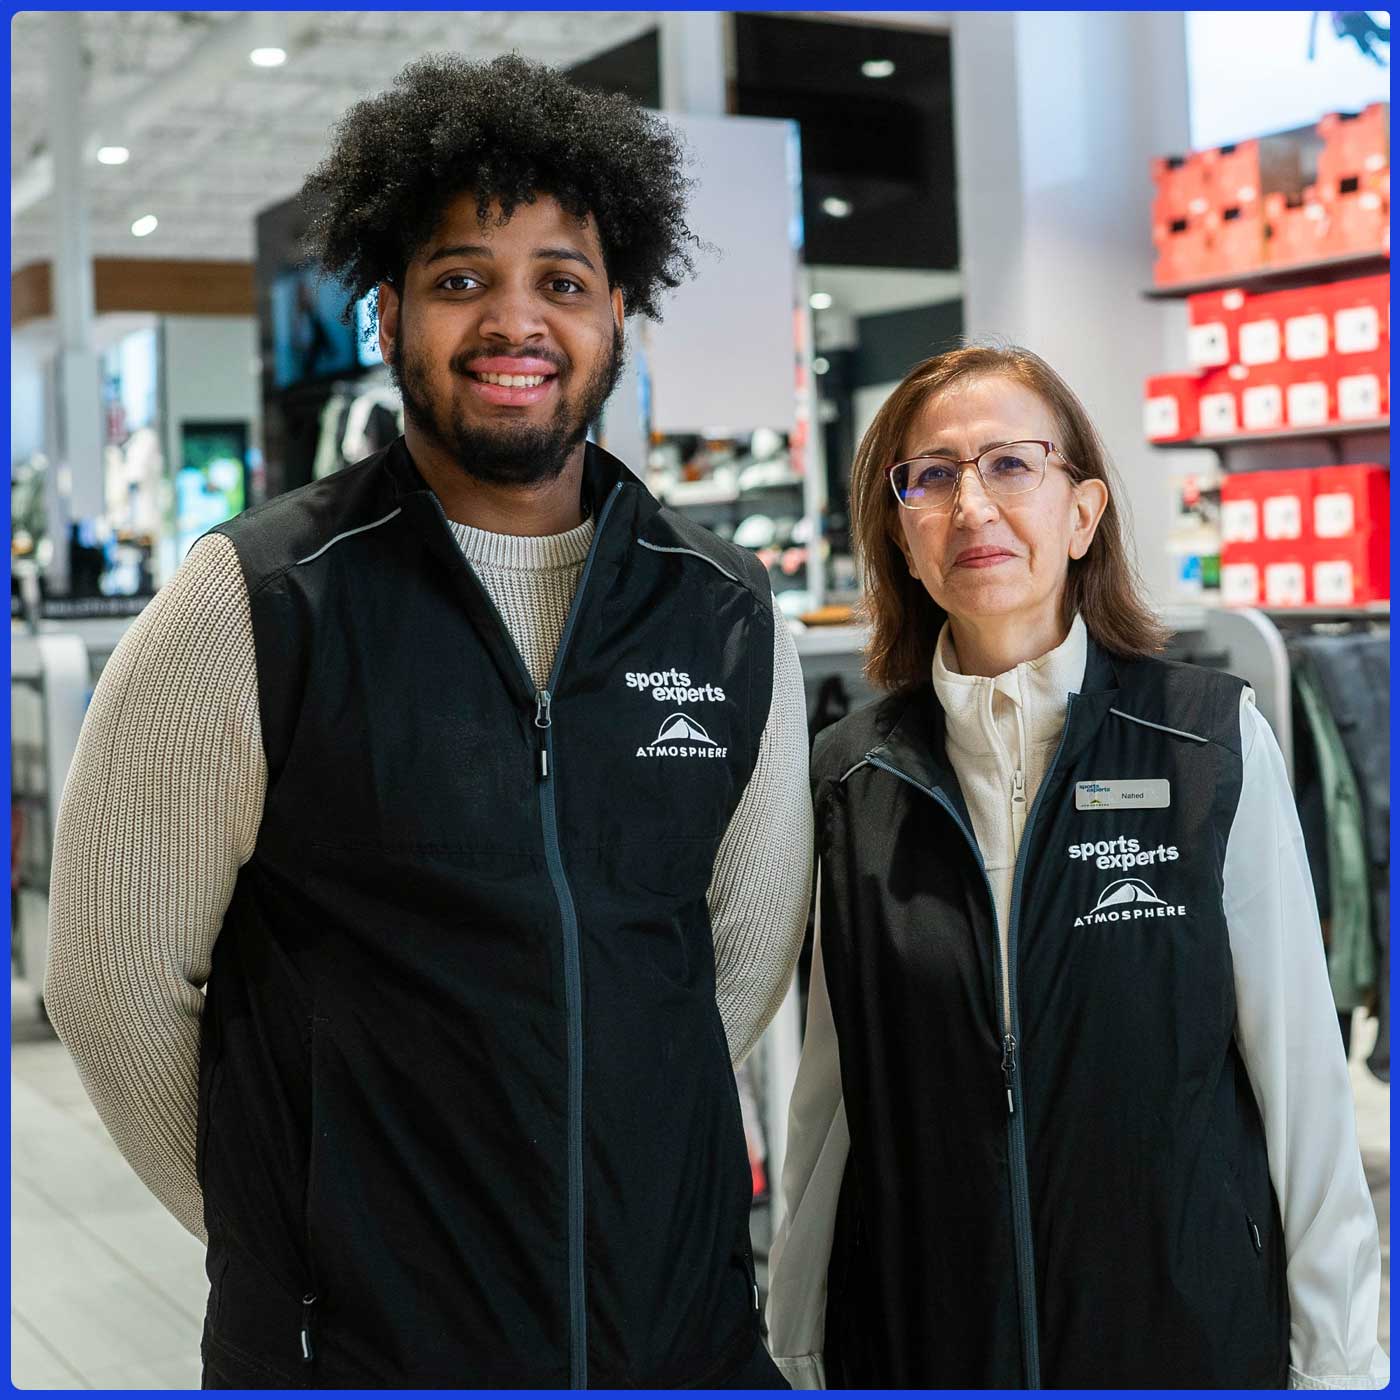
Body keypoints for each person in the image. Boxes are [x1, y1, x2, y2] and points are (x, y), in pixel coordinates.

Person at [46, 54, 811, 1390]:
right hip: (358, 1346)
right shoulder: (258, 599)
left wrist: (596, 1172)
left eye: (561, 282)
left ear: (619, 312)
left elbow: (735, 966)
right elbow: (112, 983)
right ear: (389, 313)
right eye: (462, 280)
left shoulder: (723, 610)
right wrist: (293, 1231)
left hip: (669, 1321)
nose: (515, 322)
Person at [765, 343, 1388, 1389]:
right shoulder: (850, 773)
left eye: (1011, 464)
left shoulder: (1204, 740)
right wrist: (795, 1345)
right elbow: (828, 1100)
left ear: (1083, 513)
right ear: (901, 536)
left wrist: (1338, 1361)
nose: (971, 505)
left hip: (1180, 1339)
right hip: (928, 1344)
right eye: (931, 476)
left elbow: (1299, 1078)